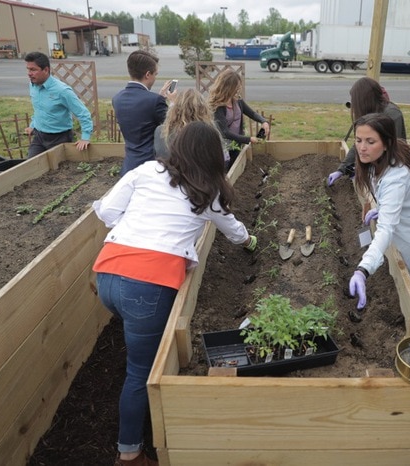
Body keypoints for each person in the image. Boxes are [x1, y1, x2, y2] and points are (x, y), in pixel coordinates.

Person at [92, 121, 258, 466]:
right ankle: (130, 453)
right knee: (140, 372)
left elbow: (107, 212)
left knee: (135, 346)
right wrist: (251, 242)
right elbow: (235, 232)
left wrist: (141, 225)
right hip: (147, 285)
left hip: (107, 272)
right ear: (213, 156)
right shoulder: (207, 190)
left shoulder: (148, 170)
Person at [347, 113, 410, 312]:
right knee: (392, 244)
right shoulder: (384, 156)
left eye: (370, 141)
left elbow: (385, 229)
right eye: (358, 140)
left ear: (386, 143)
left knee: (407, 257)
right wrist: (382, 208)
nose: (362, 147)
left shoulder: (397, 176)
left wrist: (363, 269)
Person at [327, 77, 406, 186]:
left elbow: (395, 149)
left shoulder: (391, 114)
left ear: (364, 99)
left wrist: (368, 171)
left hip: (391, 168)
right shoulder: (369, 112)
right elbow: (360, 144)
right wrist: (342, 169)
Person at [112, 50, 177, 176]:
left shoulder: (117, 98)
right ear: (148, 74)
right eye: (155, 74)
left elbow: (140, 114)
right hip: (151, 167)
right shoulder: (153, 101)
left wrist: (159, 98)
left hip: (129, 166)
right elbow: (172, 125)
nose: (155, 78)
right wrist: (173, 103)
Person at [23, 52, 93, 158]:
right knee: (30, 166)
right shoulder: (32, 86)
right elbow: (38, 109)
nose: (29, 73)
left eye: (33, 70)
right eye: (28, 69)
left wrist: (85, 138)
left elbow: (83, 113)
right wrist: (33, 125)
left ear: (46, 70)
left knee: (58, 171)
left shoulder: (62, 91)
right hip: (39, 136)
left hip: (60, 138)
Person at [208, 69, 270, 170]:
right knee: (225, 171)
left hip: (236, 144)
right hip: (222, 148)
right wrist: (248, 139)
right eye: (236, 88)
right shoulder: (218, 107)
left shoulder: (237, 100)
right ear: (227, 88)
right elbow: (225, 132)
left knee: (235, 169)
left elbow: (252, 113)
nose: (238, 90)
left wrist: (264, 121)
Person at [153, 89, 227, 162]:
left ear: (175, 109)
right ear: (203, 109)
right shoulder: (207, 131)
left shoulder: (161, 131)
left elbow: (158, 155)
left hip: (166, 171)